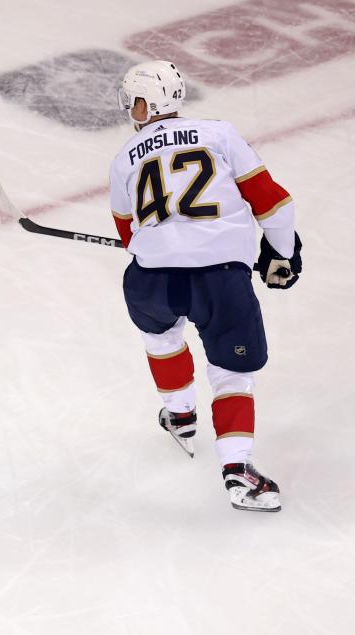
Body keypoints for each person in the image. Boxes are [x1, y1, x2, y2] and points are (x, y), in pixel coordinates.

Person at [109, 61, 300, 512]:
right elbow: (274, 204)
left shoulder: (124, 157)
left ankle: (179, 415)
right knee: (232, 372)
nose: (129, 109)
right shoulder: (219, 133)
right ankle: (238, 470)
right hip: (219, 278)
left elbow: (126, 234)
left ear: (152, 103)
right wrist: (282, 253)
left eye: (134, 100)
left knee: (160, 338)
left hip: (150, 278)